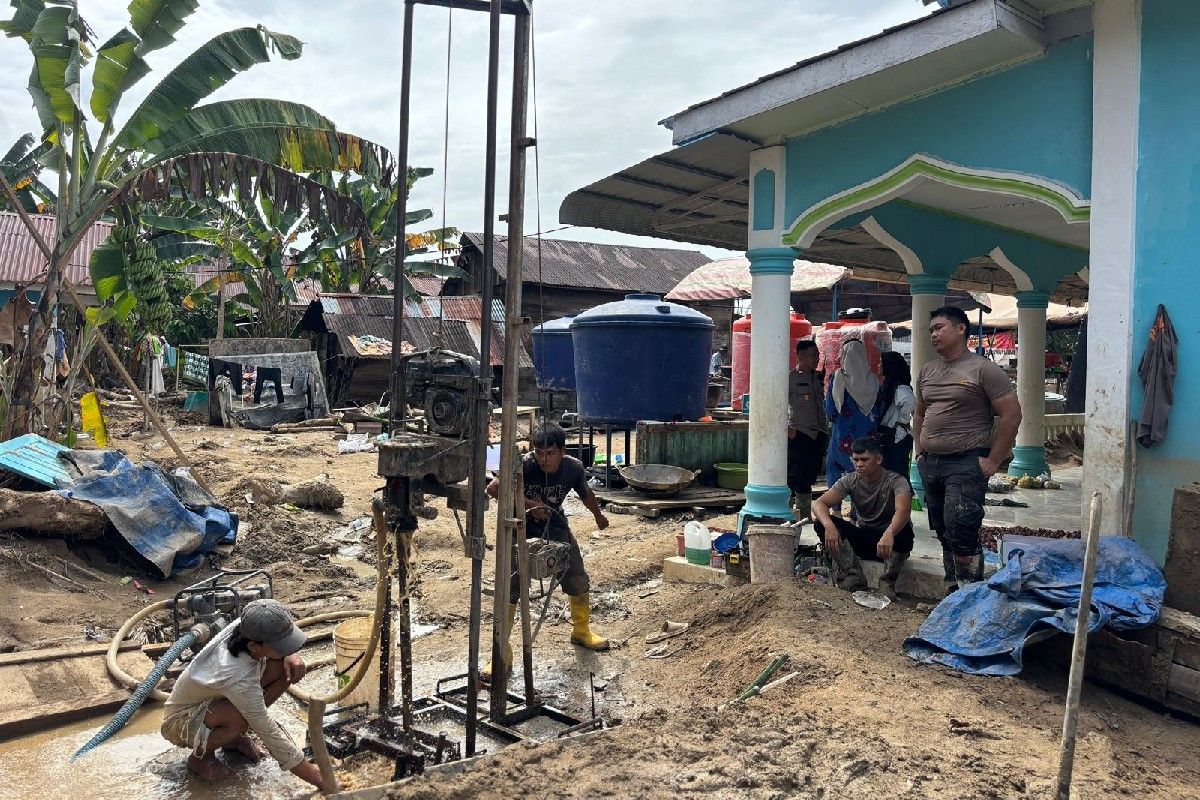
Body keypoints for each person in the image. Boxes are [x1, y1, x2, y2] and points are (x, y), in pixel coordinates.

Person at [160, 599, 331, 791]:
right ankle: (201, 758)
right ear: (254, 647)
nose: (287, 647)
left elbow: (279, 635)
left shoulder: (247, 625)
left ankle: (233, 739)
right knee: (241, 717)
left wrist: (290, 653)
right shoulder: (237, 676)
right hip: (180, 722)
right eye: (282, 645)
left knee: (288, 669)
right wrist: (319, 778)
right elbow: (268, 731)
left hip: (214, 701)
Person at [485, 423, 611, 680]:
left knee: (576, 576)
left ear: (562, 451)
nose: (543, 459)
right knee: (511, 587)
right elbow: (494, 489)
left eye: (550, 453)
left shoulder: (573, 468)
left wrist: (598, 516)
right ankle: (500, 653)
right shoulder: (523, 464)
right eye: (539, 452)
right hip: (519, 525)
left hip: (554, 523)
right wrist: (530, 504)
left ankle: (581, 631)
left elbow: (586, 494)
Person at [913, 306, 1022, 595]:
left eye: (939, 327)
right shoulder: (928, 371)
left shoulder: (983, 369)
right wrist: (919, 451)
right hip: (931, 462)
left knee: (961, 524)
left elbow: (1011, 414)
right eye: (931, 330)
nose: (933, 334)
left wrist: (994, 460)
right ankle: (953, 591)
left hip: (966, 461)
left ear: (961, 329)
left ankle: (969, 593)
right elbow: (920, 414)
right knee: (943, 529)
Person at [811, 436, 914, 598]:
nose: (859, 464)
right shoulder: (851, 480)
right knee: (821, 523)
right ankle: (853, 576)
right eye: (856, 460)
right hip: (866, 538)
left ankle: (887, 583)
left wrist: (889, 533)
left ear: (878, 459)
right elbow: (818, 503)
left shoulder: (896, 481)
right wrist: (829, 526)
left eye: (865, 459)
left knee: (904, 530)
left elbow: (904, 510)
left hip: (892, 543)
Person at [824, 338, 880, 487]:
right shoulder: (873, 380)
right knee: (863, 469)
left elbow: (830, 410)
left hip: (842, 434)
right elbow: (878, 409)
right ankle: (858, 508)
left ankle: (835, 508)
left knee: (835, 467)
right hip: (868, 434)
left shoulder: (838, 378)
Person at [787, 339, 829, 520]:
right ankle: (786, 513)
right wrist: (787, 428)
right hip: (799, 433)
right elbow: (776, 403)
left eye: (818, 355)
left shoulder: (817, 378)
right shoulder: (791, 377)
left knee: (809, 476)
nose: (817, 358)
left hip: (817, 434)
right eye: (814, 355)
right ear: (800, 356)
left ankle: (804, 516)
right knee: (793, 475)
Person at [876, 351, 916, 476]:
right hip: (890, 435)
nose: (878, 365)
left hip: (897, 436)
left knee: (896, 474)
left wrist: (902, 420)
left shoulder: (899, 388)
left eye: (881, 363)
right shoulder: (889, 386)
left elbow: (909, 402)